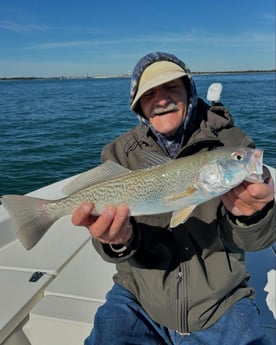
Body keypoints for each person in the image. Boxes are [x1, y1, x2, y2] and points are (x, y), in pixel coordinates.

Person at [72, 52, 275, 345]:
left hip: (221, 300)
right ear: (138, 104)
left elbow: (255, 242)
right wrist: (118, 240)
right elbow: (107, 243)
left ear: (189, 93)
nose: (161, 99)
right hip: (138, 294)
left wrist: (253, 215)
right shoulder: (119, 153)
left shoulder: (230, 143)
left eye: (172, 88)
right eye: (149, 93)